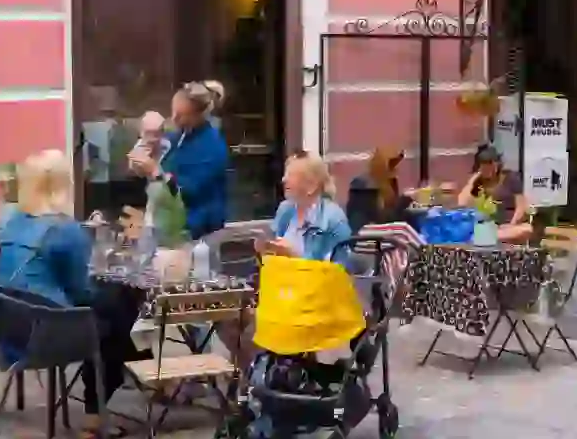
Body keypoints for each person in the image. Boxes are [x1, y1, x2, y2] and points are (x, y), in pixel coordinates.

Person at [0, 150, 138, 438]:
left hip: (4, 328)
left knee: (114, 309)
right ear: (61, 185)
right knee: (119, 310)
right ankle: (96, 415)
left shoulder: (12, 222)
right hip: (45, 334)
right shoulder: (66, 230)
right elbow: (81, 293)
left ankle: (130, 361)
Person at [219, 153, 352, 369]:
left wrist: (295, 256)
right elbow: (270, 258)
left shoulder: (333, 221)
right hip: (278, 295)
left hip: (311, 305)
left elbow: (335, 280)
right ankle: (256, 373)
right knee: (224, 315)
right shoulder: (286, 210)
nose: (283, 180)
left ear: (310, 186)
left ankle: (261, 380)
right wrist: (263, 250)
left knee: (254, 331)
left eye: (290, 175)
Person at [129, 81, 229, 240]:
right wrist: (143, 146)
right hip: (164, 226)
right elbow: (153, 157)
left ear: (199, 115)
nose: (174, 118)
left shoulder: (212, 147)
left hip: (196, 233)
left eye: (181, 115)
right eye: (173, 111)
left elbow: (183, 192)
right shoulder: (178, 135)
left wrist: (155, 172)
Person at [457, 145, 532, 244]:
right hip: (486, 225)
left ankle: (489, 237)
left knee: (527, 229)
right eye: (484, 165)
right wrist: (473, 180)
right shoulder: (479, 182)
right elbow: (461, 203)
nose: (488, 169)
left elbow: (521, 207)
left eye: (491, 164)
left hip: (508, 226)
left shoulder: (510, 178)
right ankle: (488, 237)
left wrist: (512, 224)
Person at [346, 147, 411, 231]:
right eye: (391, 165)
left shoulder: (387, 183)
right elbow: (382, 219)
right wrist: (403, 201)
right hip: (369, 237)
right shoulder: (364, 188)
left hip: (386, 233)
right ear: (382, 166)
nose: (395, 170)